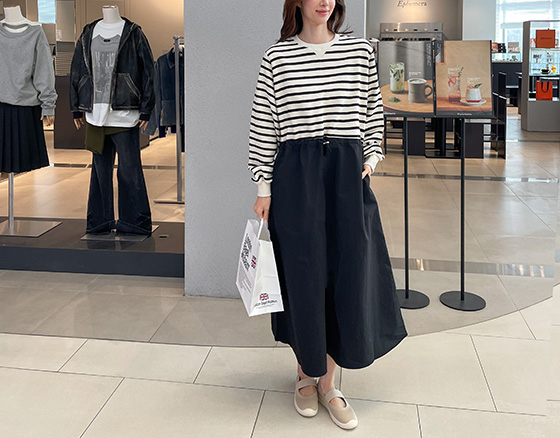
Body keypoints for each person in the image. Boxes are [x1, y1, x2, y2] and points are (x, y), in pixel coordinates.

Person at [248, 0, 408, 430]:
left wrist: (370, 158)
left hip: (345, 172)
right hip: (296, 174)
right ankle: (305, 373)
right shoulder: (277, 56)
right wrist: (263, 187)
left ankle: (329, 382)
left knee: (347, 274)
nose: (324, 1)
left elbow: (372, 110)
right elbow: (264, 123)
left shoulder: (359, 52)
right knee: (303, 275)